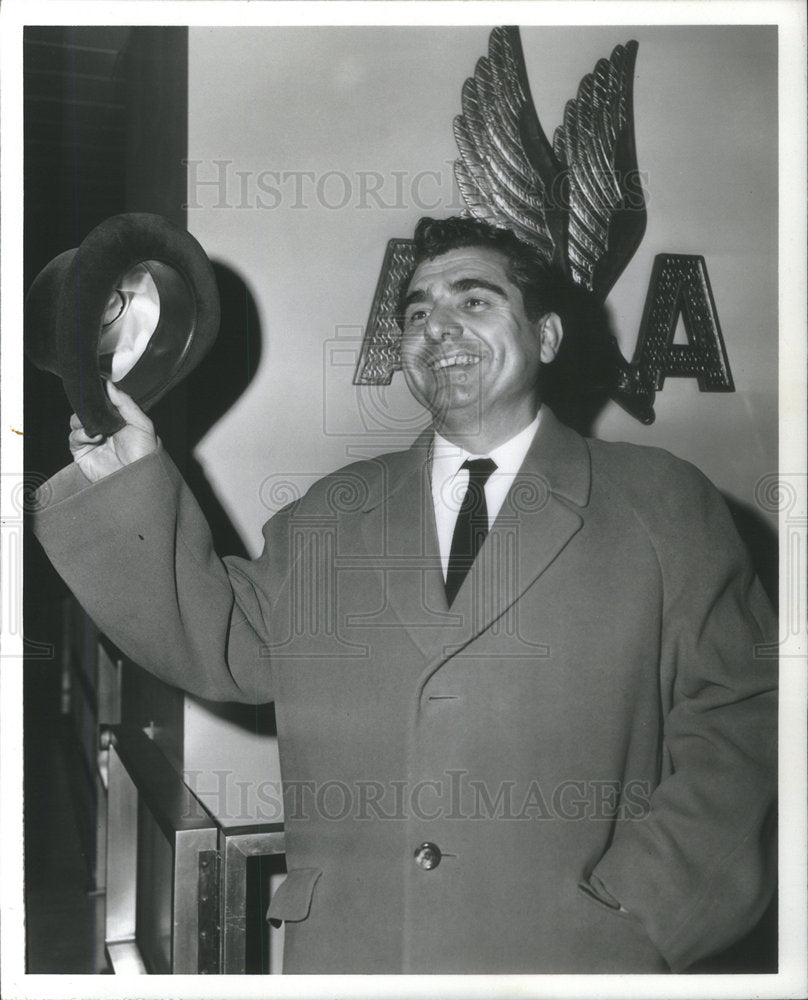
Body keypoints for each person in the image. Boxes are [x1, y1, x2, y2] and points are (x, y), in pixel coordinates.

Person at [33, 216, 777, 974]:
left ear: (547, 336)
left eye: (474, 301)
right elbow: (222, 639)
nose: (437, 328)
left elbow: (745, 717)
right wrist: (128, 474)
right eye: (418, 312)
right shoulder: (333, 510)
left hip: (571, 962)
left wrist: (645, 916)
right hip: (354, 960)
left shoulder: (660, 503)